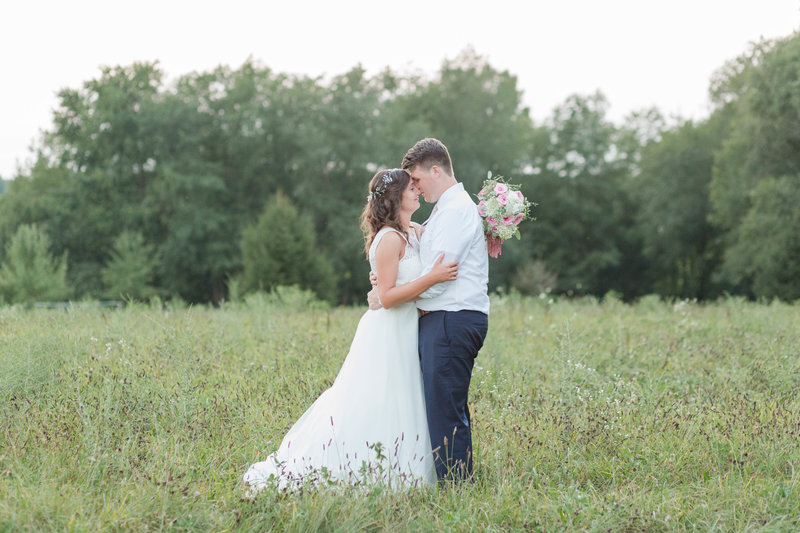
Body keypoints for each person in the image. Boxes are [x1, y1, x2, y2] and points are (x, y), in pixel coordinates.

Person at [242, 168, 458, 493]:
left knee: (405, 398)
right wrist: (432, 278)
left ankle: (404, 468)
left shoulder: (412, 231)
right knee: (377, 399)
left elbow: (442, 239)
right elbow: (385, 296)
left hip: (407, 329)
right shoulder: (388, 238)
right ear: (395, 196)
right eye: (410, 188)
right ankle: (363, 468)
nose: (417, 191)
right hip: (388, 331)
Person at [369, 138, 489, 482]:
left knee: (445, 408)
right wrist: (387, 285)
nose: (415, 188)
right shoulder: (443, 211)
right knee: (443, 405)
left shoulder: (454, 210)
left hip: (451, 318)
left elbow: (438, 279)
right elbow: (422, 264)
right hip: (444, 318)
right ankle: (454, 479)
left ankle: (456, 485)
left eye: (417, 179)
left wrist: (387, 294)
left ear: (435, 170)